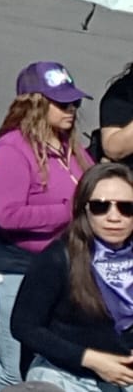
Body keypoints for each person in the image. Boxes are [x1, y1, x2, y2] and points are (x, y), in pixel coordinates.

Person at [0, 62, 95, 388]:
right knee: (13, 371)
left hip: (63, 269)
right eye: (62, 103)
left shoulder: (72, 148)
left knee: (42, 365)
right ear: (35, 103)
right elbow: (7, 215)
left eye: (75, 102)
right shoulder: (11, 149)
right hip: (16, 269)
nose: (71, 109)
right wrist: (71, 210)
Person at [12, 161, 133, 391]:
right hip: (65, 376)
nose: (114, 217)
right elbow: (24, 326)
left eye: (126, 208)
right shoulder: (59, 257)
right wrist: (91, 359)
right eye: (100, 207)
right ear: (84, 209)